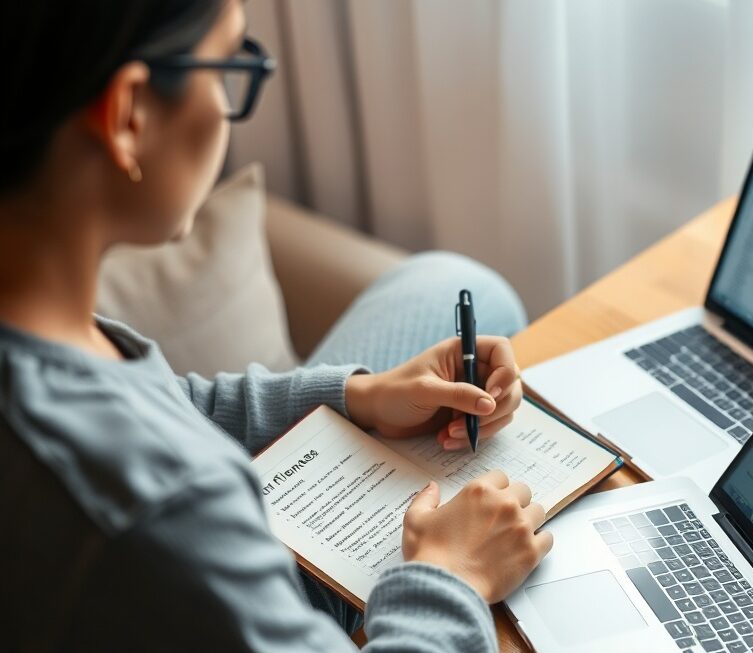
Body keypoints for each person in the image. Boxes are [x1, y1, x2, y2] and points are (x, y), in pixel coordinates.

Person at [0, 1, 552, 651]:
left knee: (464, 286)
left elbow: (162, 401)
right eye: (227, 64)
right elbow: (151, 478)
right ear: (129, 115)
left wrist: (358, 398)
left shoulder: (37, 323)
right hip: (243, 598)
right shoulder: (160, 509)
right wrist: (448, 576)